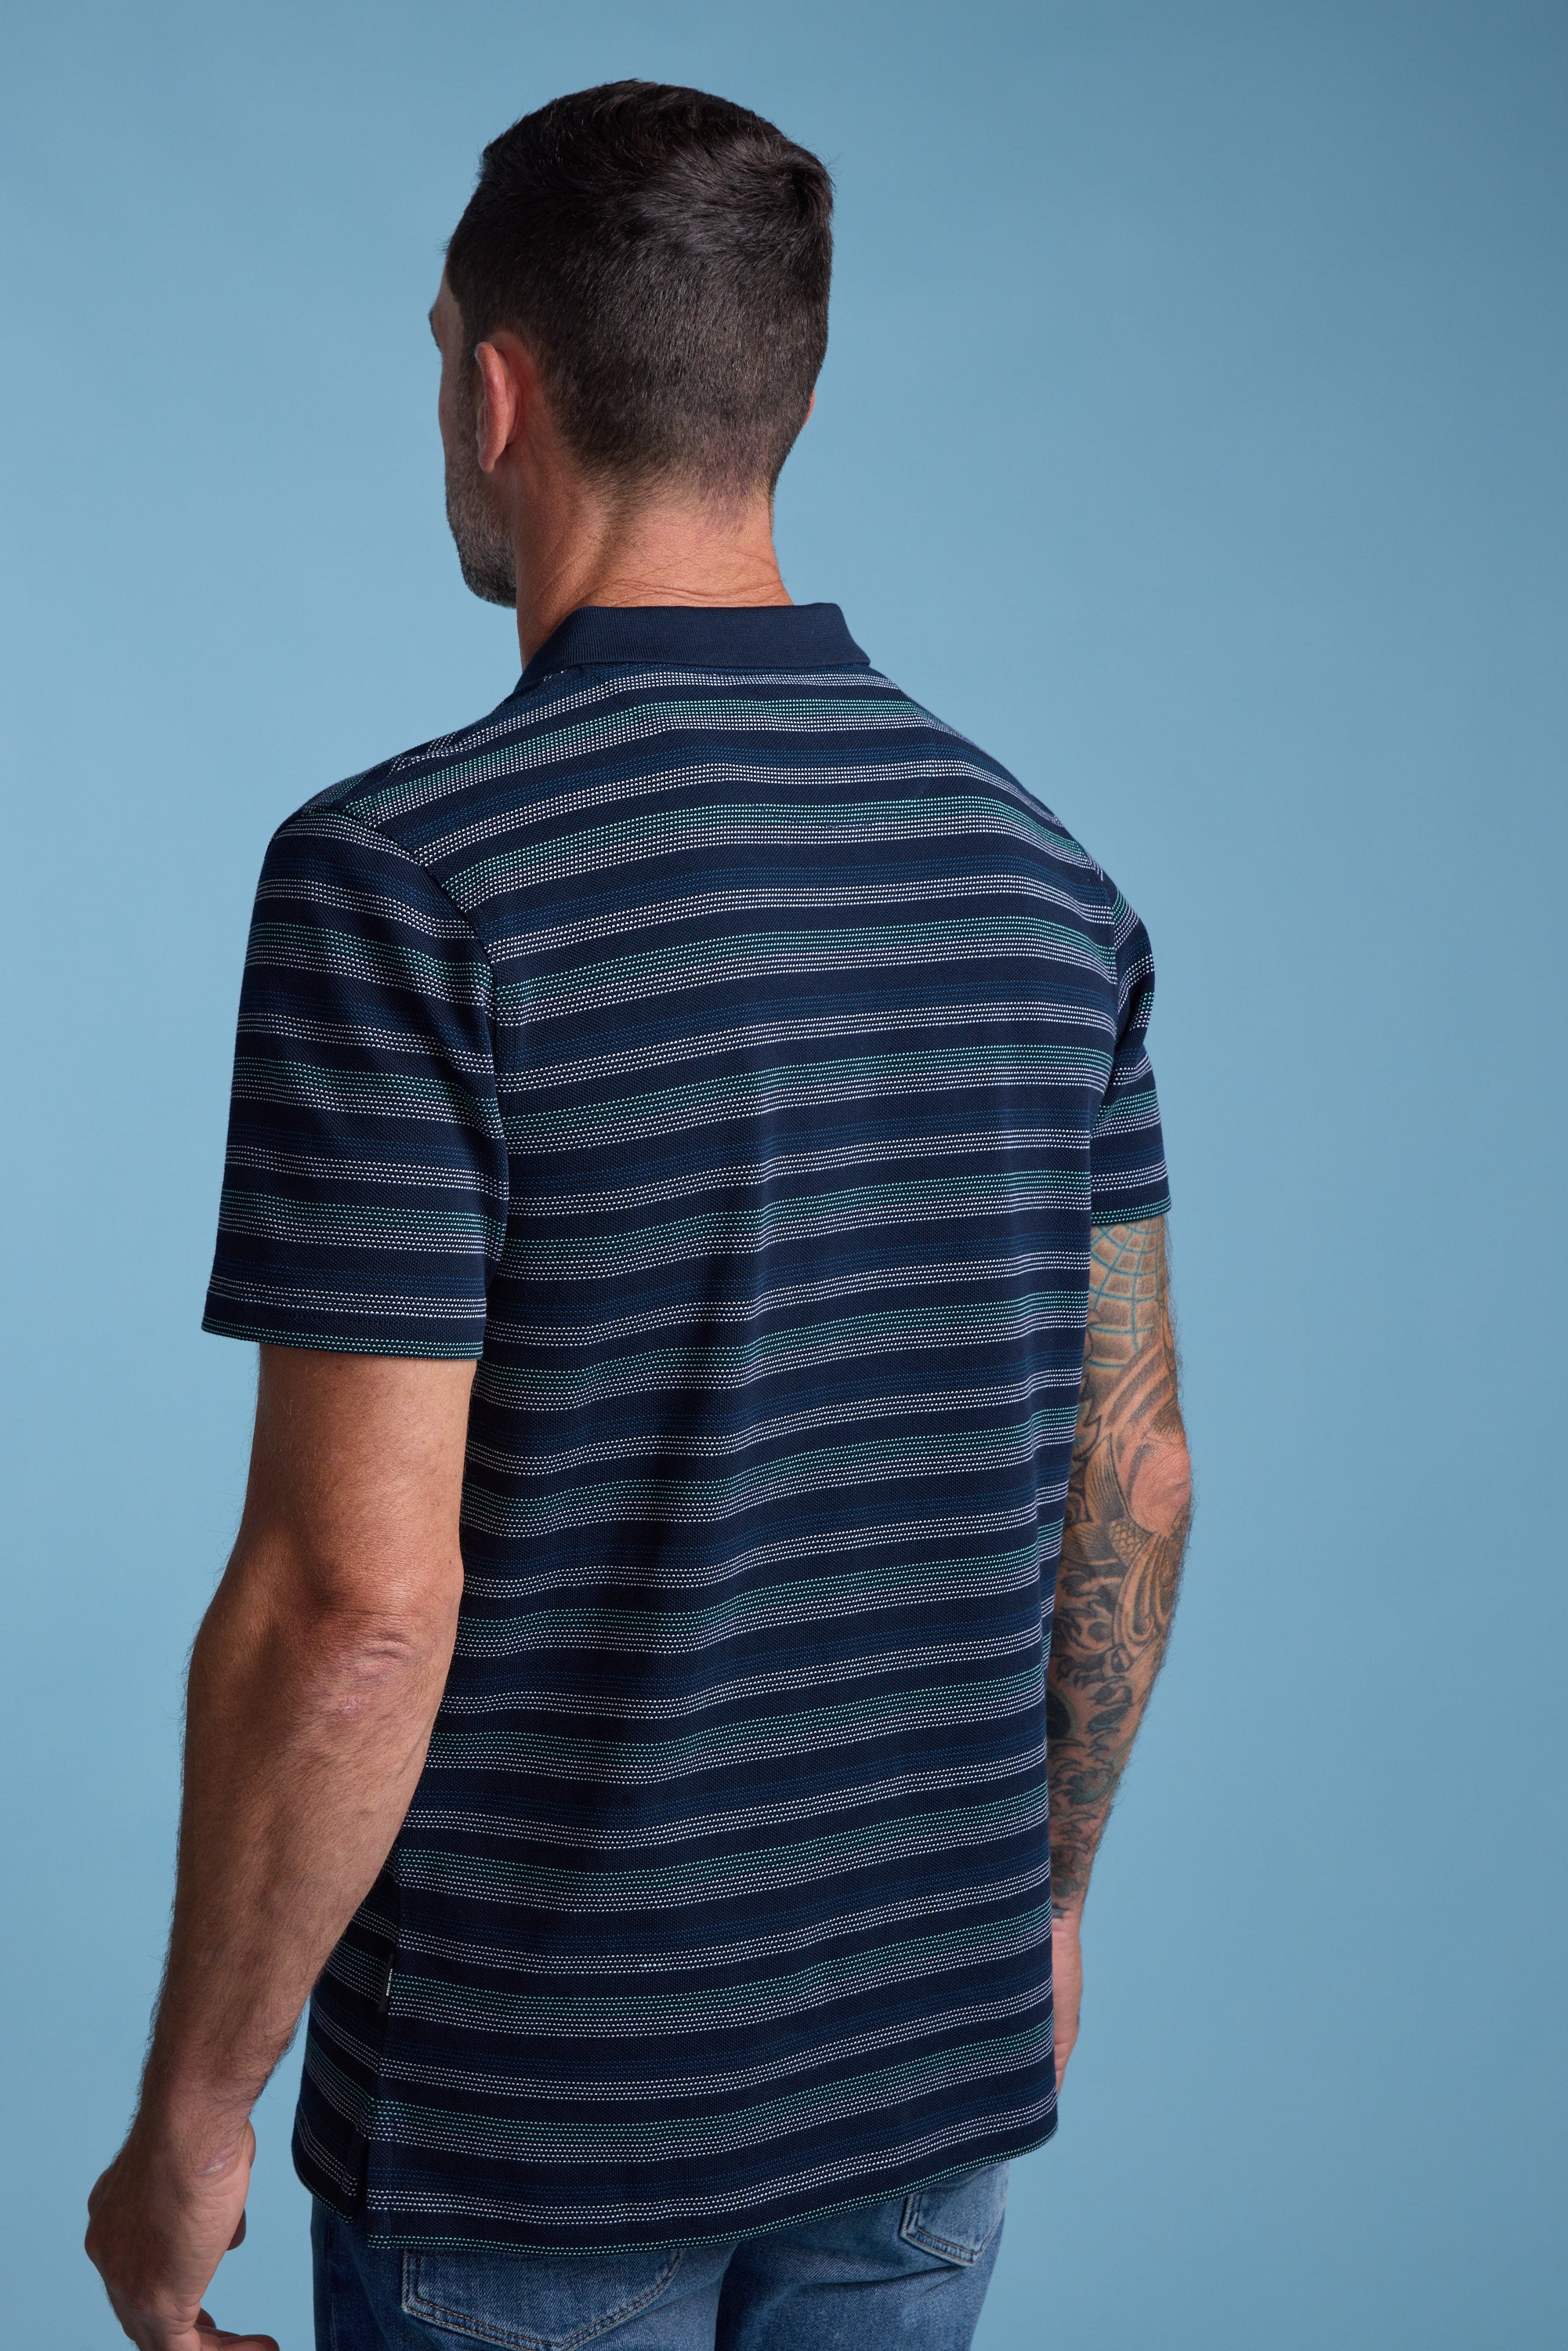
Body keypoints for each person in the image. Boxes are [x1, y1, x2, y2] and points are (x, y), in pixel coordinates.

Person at [85, 79, 1192, 2351]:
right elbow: (1135, 1465)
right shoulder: (1042, 881)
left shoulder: (407, 887)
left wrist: (192, 2118)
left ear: (494, 390)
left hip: (528, 2130)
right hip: (922, 2091)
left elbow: (354, 1609)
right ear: (779, 398)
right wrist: (1040, 1907)